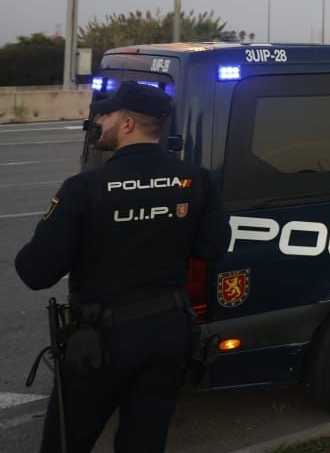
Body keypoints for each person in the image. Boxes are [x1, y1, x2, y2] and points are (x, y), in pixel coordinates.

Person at [15, 82, 229, 453]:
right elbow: (211, 250)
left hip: (102, 341)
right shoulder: (196, 180)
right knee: (144, 443)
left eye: (106, 114)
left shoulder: (84, 188)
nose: (99, 121)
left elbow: (36, 272)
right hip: (169, 333)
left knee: (66, 442)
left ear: (127, 124)